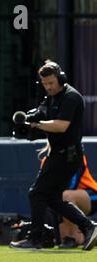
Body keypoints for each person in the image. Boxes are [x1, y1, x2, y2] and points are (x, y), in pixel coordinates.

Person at [9, 60, 97, 250]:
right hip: (61, 155)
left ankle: (36, 239)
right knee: (52, 198)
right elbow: (41, 111)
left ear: (60, 78)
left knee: (37, 193)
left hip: (67, 156)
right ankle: (88, 226)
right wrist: (29, 118)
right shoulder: (51, 98)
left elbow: (61, 125)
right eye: (45, 83)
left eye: (51, 82)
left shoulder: (71, 97)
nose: (48, 87)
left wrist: (36, 125)